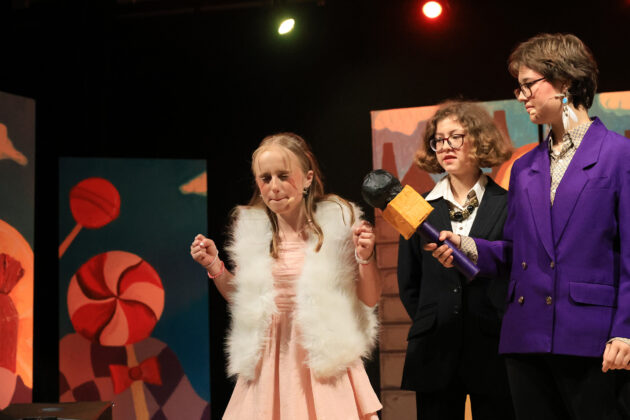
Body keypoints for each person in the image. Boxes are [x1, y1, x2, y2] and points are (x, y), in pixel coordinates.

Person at [428, 33, 630, 419]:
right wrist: (467, 246)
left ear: (565, 80)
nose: (521, 96)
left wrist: (626, 330)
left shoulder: (620, 156)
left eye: (528, 85)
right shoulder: (524, 167)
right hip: (526, 337)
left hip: (595, 338)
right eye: (518, 87)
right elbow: (515, 251)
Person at [190, 132, 382, 419]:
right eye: (265, 178)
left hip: (324, 358)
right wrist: (214, 265)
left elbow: (369, 298)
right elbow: (243, 300)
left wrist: (365, 257)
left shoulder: (338, 224)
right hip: (270, 359)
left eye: (283, 176)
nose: (274, 187)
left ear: (307, 178)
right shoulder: (253, 234)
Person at [397, 100, 514, 420]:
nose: (445, 146)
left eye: (455, 137)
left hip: (493, 346)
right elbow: (409, 283)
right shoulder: (415, 207)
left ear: (479, 139)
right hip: (434, 348)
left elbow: (515, 269)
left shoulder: (508, 202)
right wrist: (435, 320)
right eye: (438, 140)